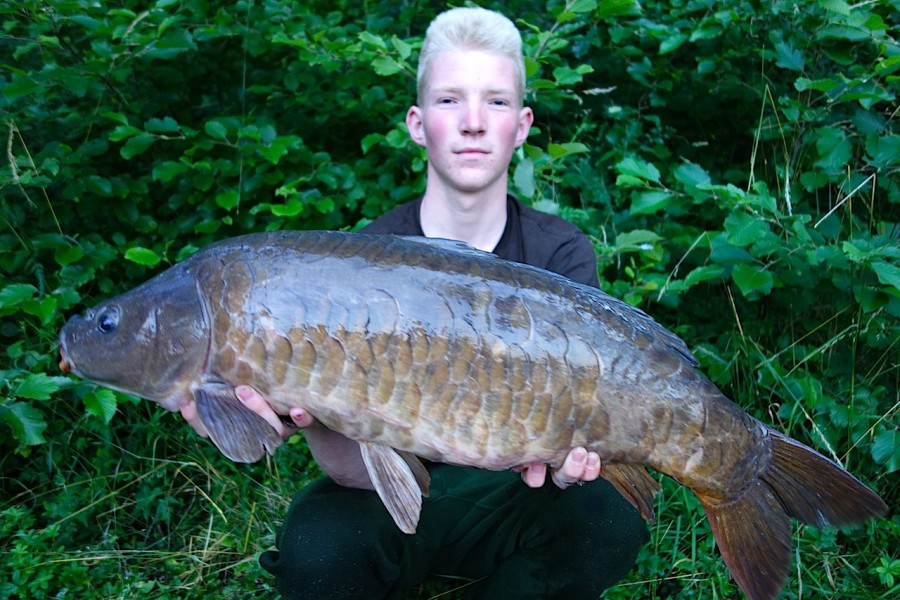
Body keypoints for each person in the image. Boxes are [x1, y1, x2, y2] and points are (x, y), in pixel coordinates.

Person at [182, 7, 648, 598]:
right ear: (418, 122)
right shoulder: (358, 263)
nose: (474, 122)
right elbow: (353, 465)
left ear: (523, 124)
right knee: (317, 554)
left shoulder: (559, 252)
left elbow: (585, 422)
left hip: (515, 495)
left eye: (497, 102)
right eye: (450, 100)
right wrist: (298, 415)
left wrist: (574, 453)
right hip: (384, 491)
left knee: (606, 513)